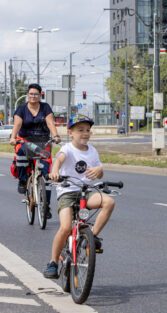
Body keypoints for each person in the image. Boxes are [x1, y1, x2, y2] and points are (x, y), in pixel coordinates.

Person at [43, 114, 115, 278]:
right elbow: (59, 160)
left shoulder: (93, 151)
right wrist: (54, 171)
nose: (85, 133)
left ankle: (93, 237)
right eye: (80, 130)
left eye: (88, 130)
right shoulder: (67, 148)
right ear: (70, 133)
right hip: (67, 191)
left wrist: (99, 170)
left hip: (86, 191)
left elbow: (100, 173)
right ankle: (53, 262)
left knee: (109, 202)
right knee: (66, 226)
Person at [9, 83, 61, 219]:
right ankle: (22, 179)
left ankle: (46, 205)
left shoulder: (45, 107)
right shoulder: (21, 108)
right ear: (27, 95)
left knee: (47, 175)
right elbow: (18, 124)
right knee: (20, 153)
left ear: (40, 95)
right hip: (25, 140)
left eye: (36, 94)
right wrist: (13, 137)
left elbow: (50, 123)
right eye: (31, 94)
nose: (33, 96)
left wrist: (55, 136)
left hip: (43, 142)